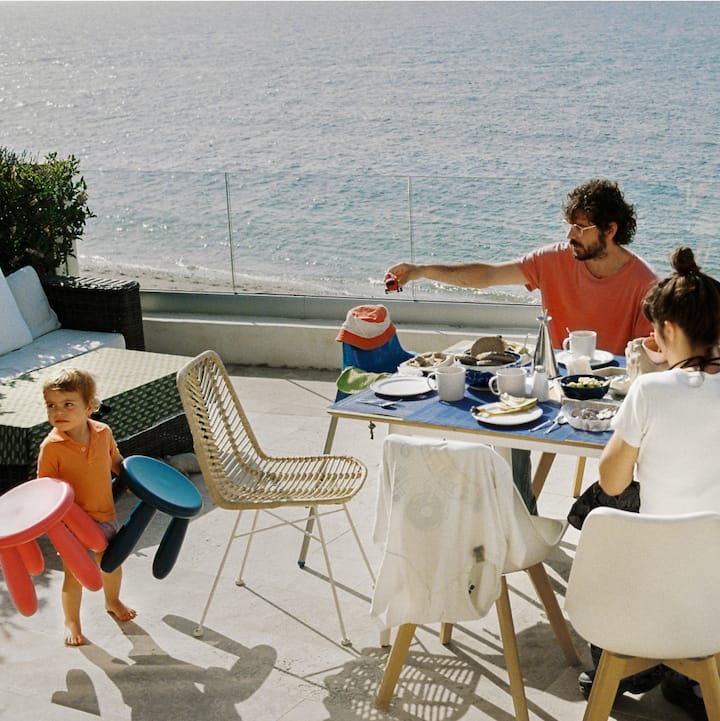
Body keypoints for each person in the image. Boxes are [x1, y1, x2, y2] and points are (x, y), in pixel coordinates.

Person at [386, 178, 657, 511]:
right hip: (553, 387)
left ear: (610, 230)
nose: (570, 234)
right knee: (498, 421)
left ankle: (544, 525)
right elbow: (487, 276)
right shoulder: (554, 260)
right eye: (568, 225)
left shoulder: (644, 282)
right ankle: (519, 517)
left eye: (580, 227)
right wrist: (421, 270)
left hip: (609, 403)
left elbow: (645, 361)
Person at [580, 246, 720, 720]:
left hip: (657, 581)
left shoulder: (650, 390)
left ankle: (645, 668)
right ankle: (692, 681)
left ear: (669, 330)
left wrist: (645, 391)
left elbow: (612, 481)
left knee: (595, 507)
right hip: (715, 584)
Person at [38, 368, 136, 646]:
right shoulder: (52, 447)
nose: (59, 411)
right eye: (51, 405)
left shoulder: (103, 432)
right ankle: (72, 621)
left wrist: (130, 481)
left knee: (111, 565)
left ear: (89, 406)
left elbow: (115, 460)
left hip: (104, 515)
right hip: (72, 527)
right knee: (75, 575)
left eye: (68, 404)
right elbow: (45, 488)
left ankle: (113, 601)